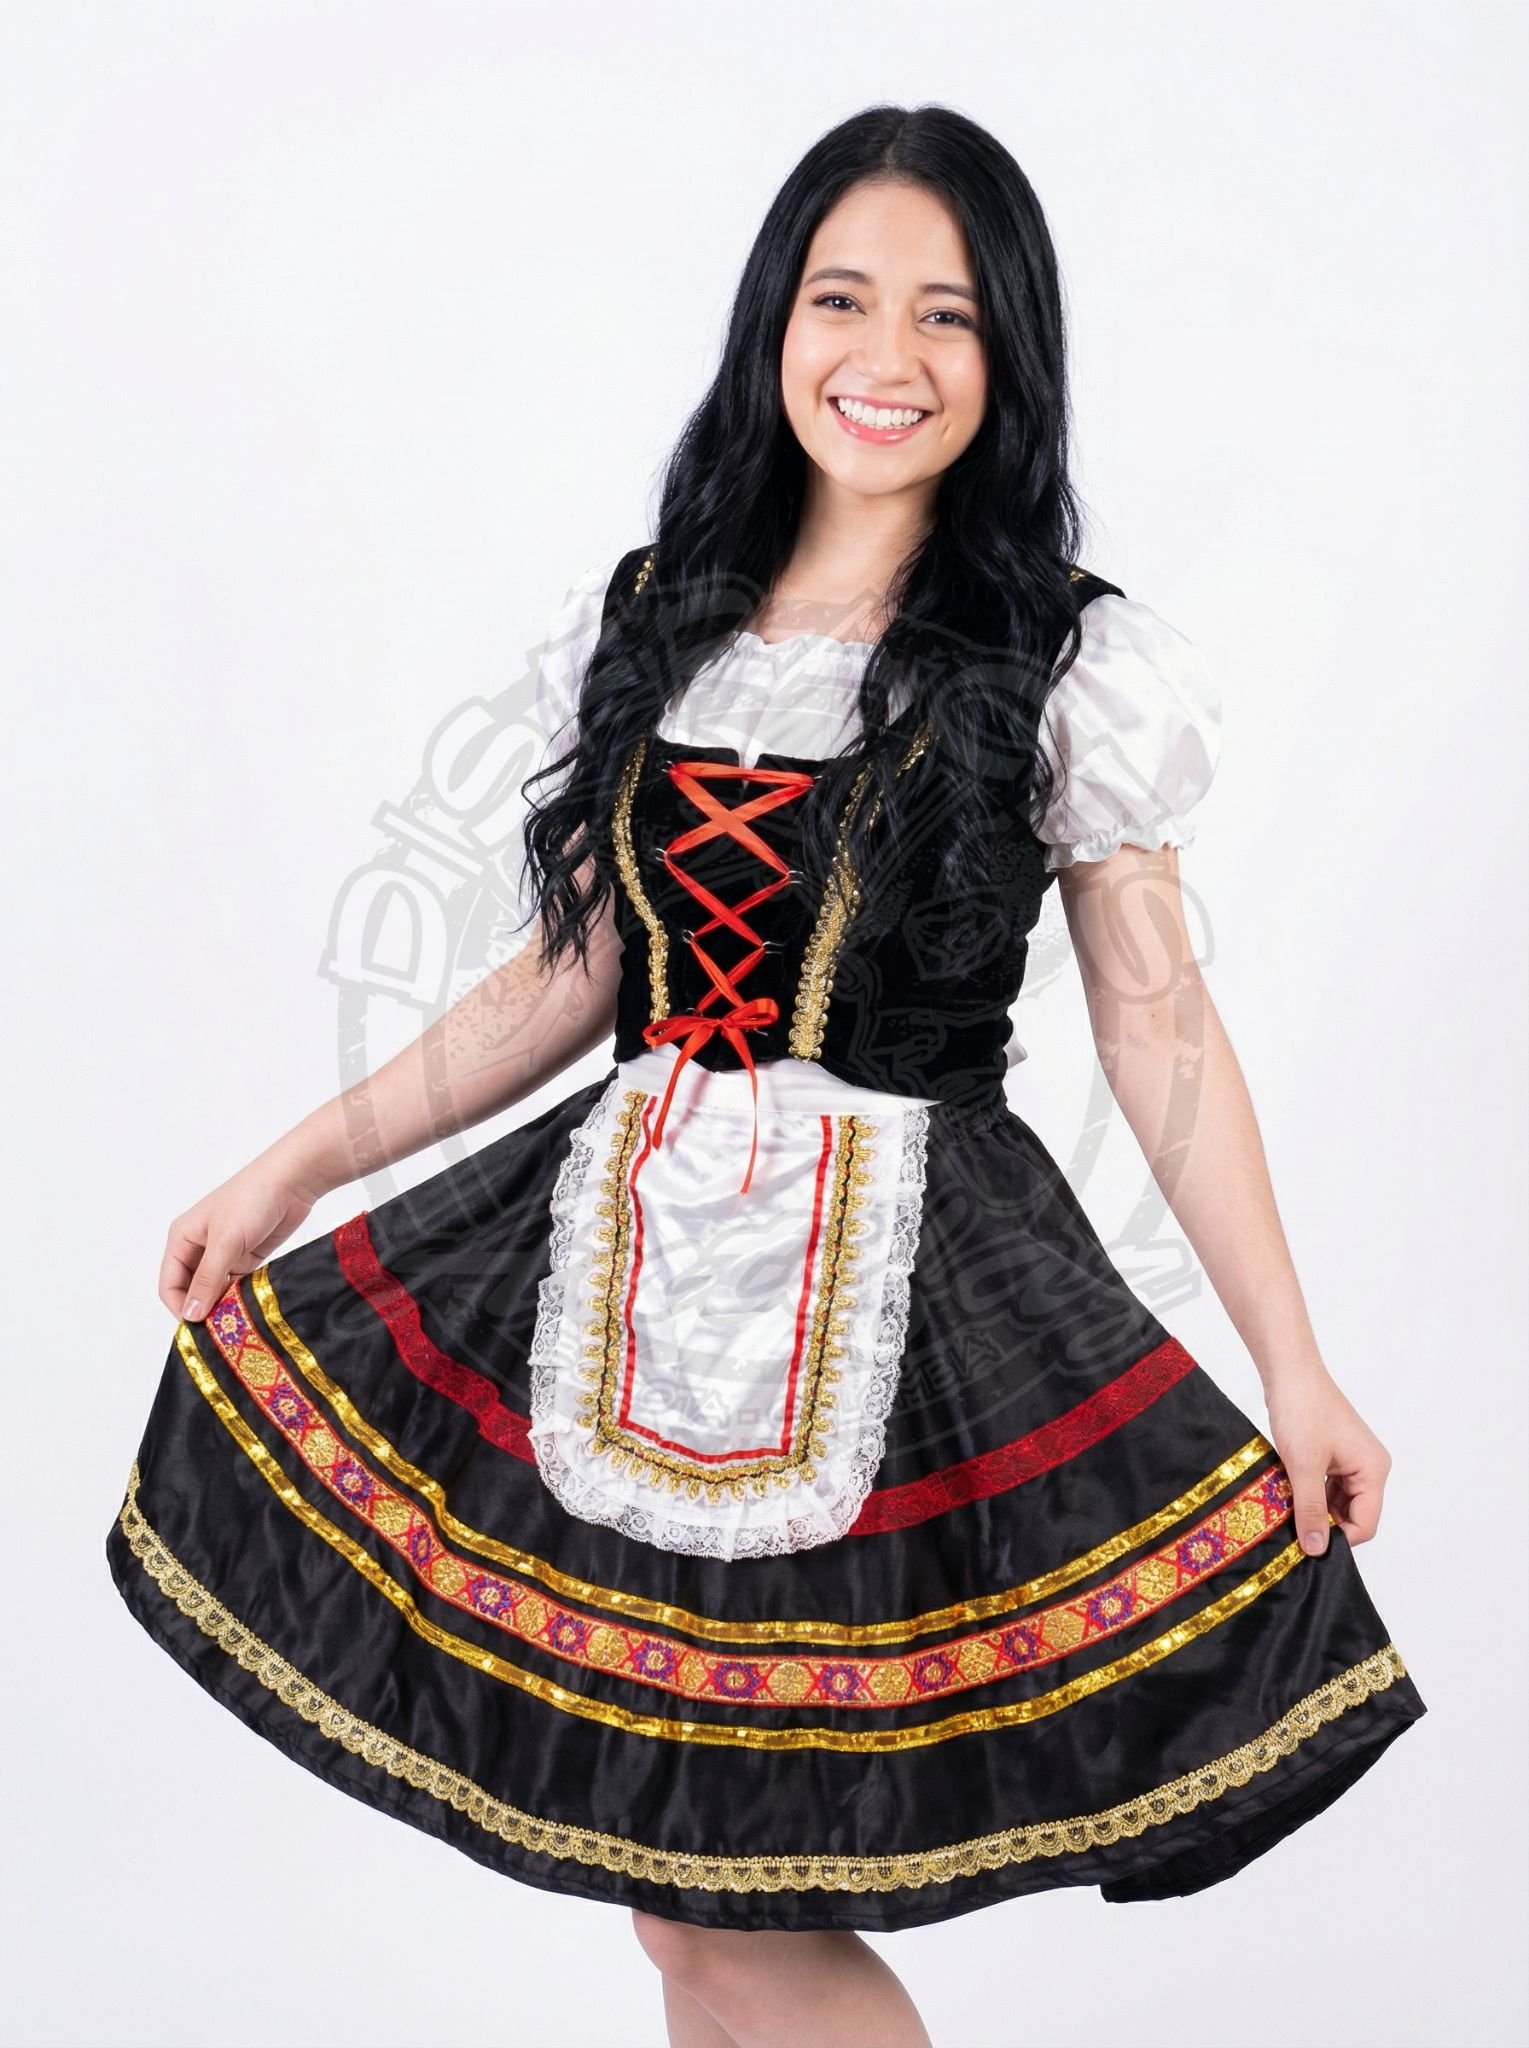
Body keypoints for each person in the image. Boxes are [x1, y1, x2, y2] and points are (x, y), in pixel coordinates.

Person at [105, 104, 1426, 2048]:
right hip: (628, 1266)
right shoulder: (659, 616)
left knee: (733, 1924)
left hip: (909, 1302)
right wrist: (293, 1165)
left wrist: (1292, 1364)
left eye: (946, 315)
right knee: (683, 1916)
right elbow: (574, 976)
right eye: (843, 299)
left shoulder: (1054, 658)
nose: (888, 356)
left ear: (1009, 353)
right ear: (774, 324)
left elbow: (1157, 1024)